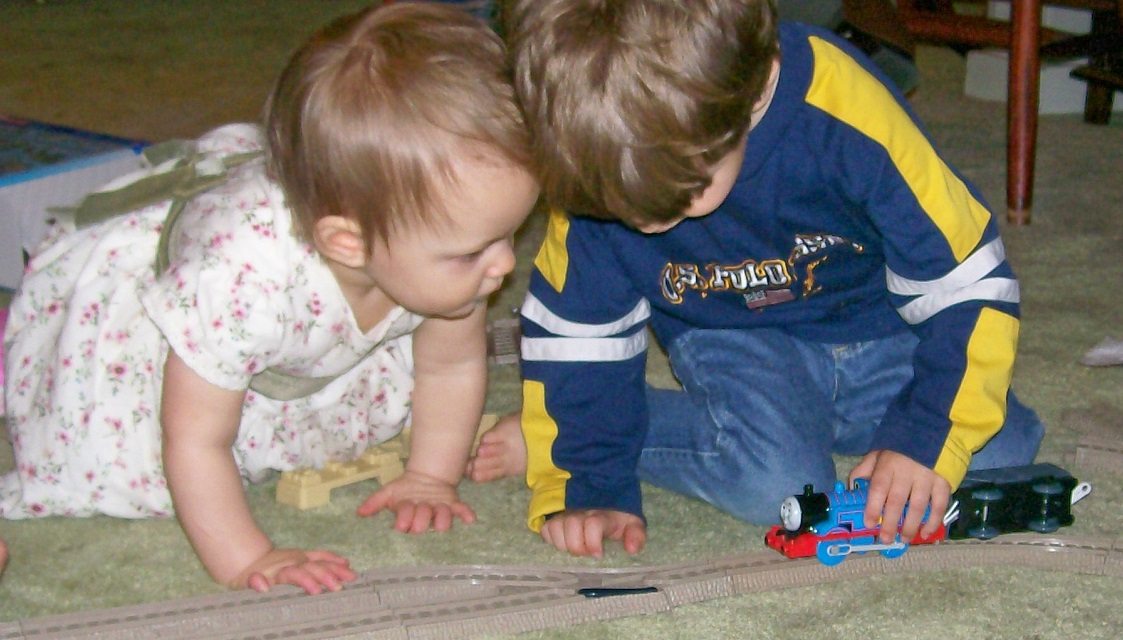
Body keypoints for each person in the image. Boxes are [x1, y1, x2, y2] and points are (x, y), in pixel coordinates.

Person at [470, 0, 1043, 558]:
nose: (643, 221)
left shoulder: (844, 108)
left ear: (752, 88)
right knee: (776, 483)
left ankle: (822, 423)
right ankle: (581, 429)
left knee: (1003, 446)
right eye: (615, 205)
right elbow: (578, 332)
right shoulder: (595, 147)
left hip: (880, 327)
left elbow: (967, 281)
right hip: (734, 336)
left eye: (683, 193)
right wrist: (587, 474)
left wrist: (920, 437)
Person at [0, 2, 538, 593]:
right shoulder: (240, 280)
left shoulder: (439, 246)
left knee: (418, 320)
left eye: (510, 234)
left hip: (303, 332)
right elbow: (194, 438)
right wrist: (246, 557)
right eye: (473, 251)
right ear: (348, 243)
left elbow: (453, 362)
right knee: (129, 461)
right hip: (173, 343)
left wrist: (432, 477)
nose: (507, 264)